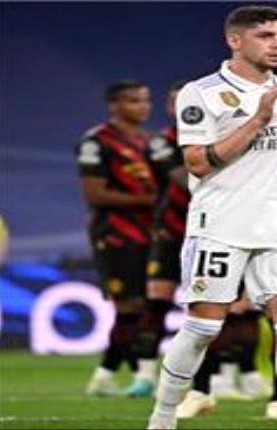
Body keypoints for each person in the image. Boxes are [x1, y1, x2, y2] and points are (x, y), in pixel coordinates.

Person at [146, 5, 277, 430]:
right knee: (202, 327)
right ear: (235, 40)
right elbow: (198, 163)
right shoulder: (202, 92)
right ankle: (163, 416)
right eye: (265, 36)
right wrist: (258, 120)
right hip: (222, 224)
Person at [76, 80, 157, 397]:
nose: (143, 106)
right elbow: (94, 194)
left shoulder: (150, 141)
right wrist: (150, 201)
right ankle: (136, 375)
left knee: (142, 306)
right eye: (133, 101)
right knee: (130, 306)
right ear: (114, 105)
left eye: (145, 100)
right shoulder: (96, 141)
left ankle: (108, 375)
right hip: (115, 234)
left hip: (151, 233)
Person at [124, 80, 187, 397]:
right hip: (171, 232)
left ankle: (225, 378)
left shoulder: (221, 137)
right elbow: (185, 179)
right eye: (176, 102)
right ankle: (145, 374)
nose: (181, 108)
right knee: (157, 303)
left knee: (222, 307)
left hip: (213, 233)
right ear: (169, 108)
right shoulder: (162, 142)